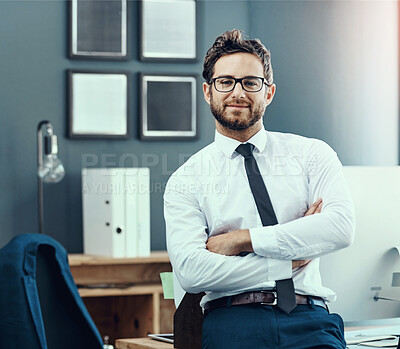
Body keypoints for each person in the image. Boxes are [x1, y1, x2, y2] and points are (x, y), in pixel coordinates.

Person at [164, 29, 355, 349]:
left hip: (311, 319)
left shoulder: (312, 155)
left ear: (269, 92)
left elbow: (339, 228)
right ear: (208, 92)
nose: (238, 91)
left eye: (251, 82)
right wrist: (286, 259)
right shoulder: (186, 180)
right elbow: (192, 272)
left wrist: (242, 241)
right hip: (234, 321)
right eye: (226, 81)